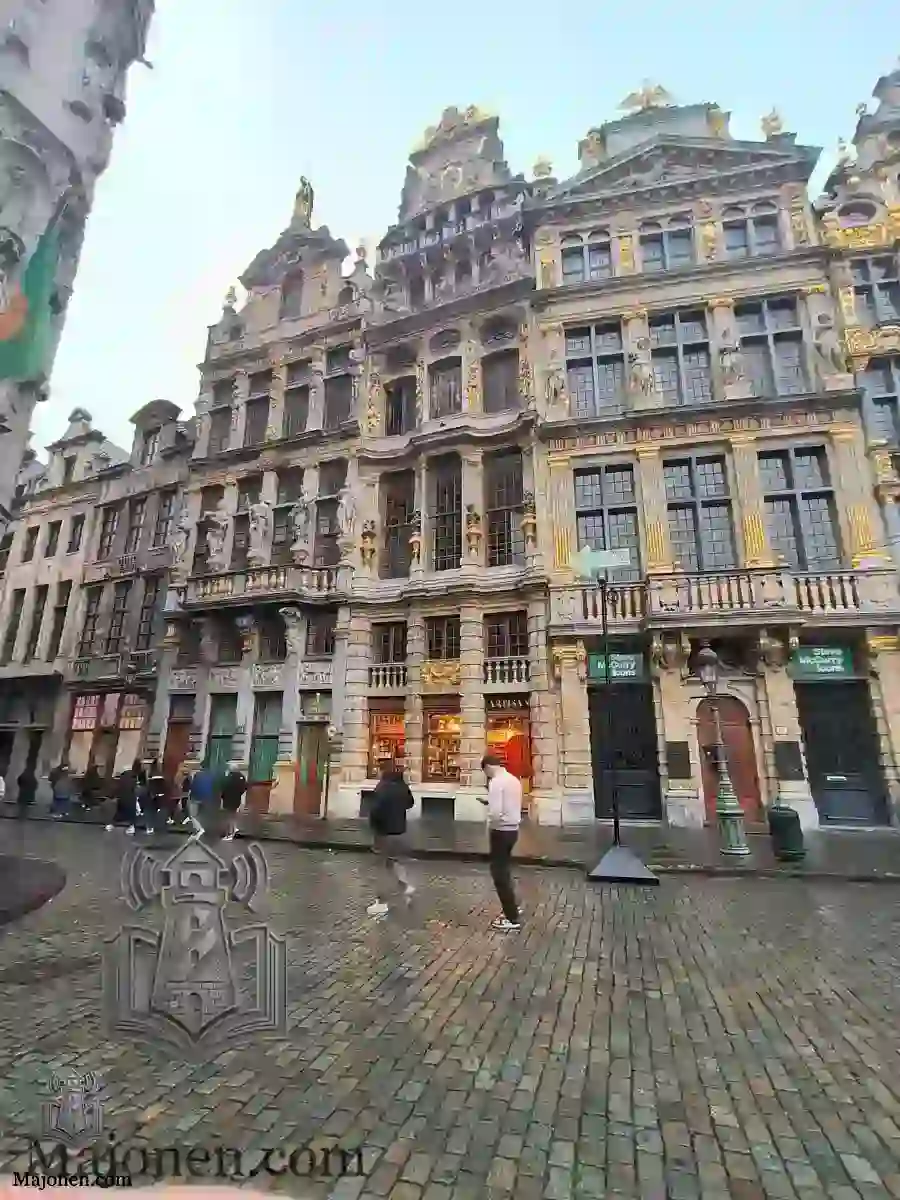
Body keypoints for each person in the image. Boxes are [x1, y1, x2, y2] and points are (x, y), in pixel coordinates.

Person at [479, 754, 523, 931]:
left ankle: (512, 918)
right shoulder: (513, 780)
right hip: (513, 830)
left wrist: (488, 824)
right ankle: (514, 906)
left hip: (500, 831)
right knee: (504, 870)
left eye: (485, 772)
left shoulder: (496, 782)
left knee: (499, 874)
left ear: (488, 767)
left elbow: (496, 812)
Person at [366, 766, 415, 917]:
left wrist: (374, 827)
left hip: (384, 833)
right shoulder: (402, 787)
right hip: (400, 831)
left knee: (381, 868)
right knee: (393, 862)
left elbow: (375, 810)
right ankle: (406, 886)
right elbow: (410, 803)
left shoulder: (382, 787)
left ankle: (381, 903)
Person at [107, 766, 138, 834]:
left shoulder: (122, 778)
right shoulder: (134, 777)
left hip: (122, 799)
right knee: (131, 815)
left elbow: (117, 788)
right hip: (131, 799)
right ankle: (132, 827)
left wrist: (112, 796)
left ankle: (111, 825)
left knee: (119, 813)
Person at [188, 764, 216, 837]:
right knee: (205, 814)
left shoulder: (197, 775)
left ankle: (199, 829)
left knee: (193, 815)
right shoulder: (212, 776)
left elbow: (193, 786)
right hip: (207, 797)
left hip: (196, 797)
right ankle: (205, 829)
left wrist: (191, 796)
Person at [220, 767, 247, 841]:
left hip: (228, 800)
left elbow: (223, 788)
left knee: (229, 818)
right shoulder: (241, 776)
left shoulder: (228, 778)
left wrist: (223, 797)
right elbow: (244, 788)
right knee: (233, 816)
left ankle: (230, 834)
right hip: (237, 799)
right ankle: (234, 829)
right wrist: (238, 794)